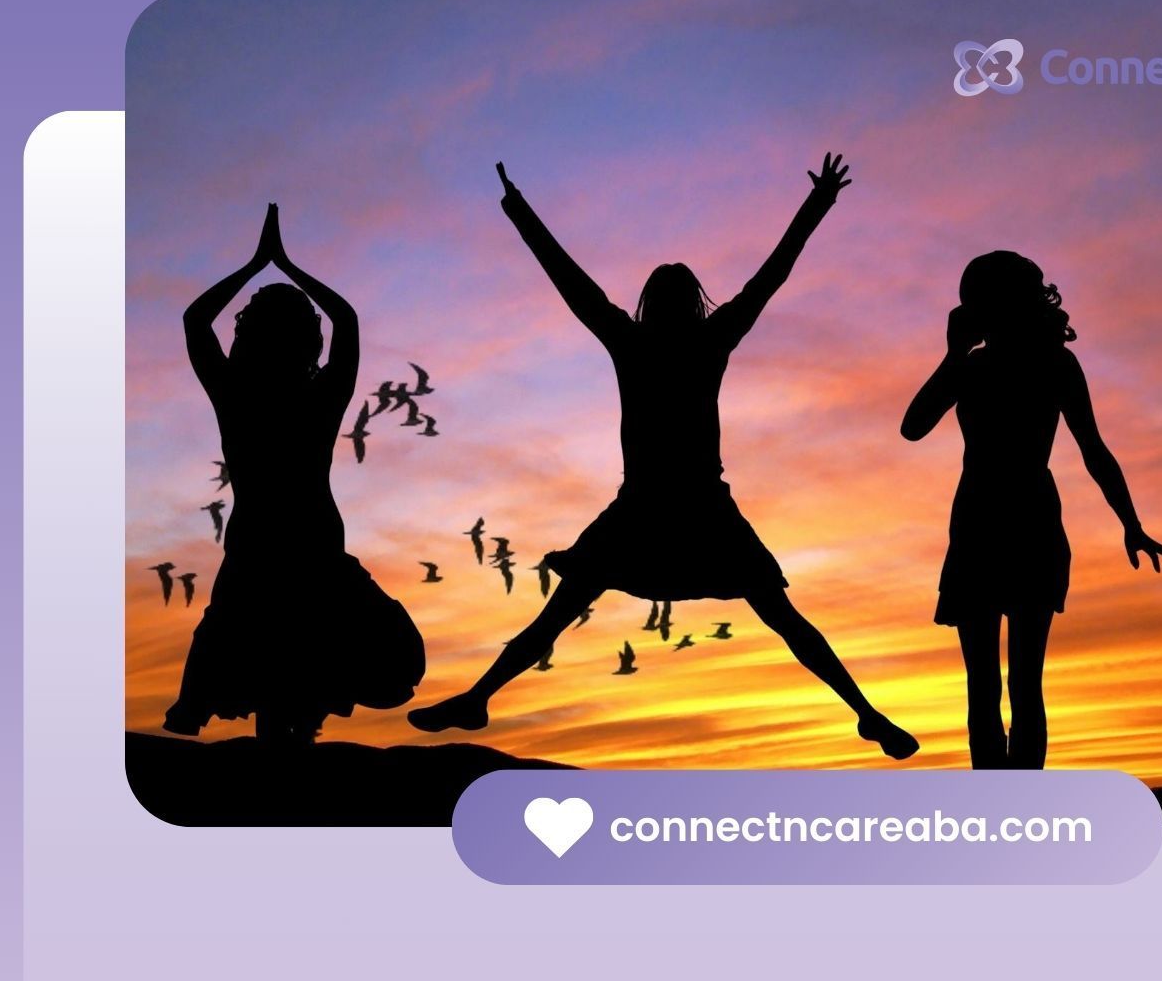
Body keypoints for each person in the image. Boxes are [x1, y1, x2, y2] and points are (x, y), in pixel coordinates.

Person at [409, 155, 918, 760]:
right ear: (692, 302)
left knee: (565, 611)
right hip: (683, 505)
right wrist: (817, 205)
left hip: (661, 506)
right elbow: (769, 276)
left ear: (652, 303)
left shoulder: (636, 340)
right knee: (779, 616)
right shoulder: (706, 338)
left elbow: (571, 280)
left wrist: (517, 208)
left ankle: (479, 696)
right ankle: (865, 712)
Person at [901, 251, 1162, 769]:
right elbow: (912, 426)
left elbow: (1093, 448)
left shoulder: (1047, 364)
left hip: (1014, 521)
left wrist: (1132, 522)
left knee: (1007, 684)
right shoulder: (981, 366)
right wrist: (953, 356)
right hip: (992, 524)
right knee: (999, 684)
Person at [163, 205, 425, 745]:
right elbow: (347, 321)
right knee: (295, 683)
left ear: (248, 335)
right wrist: (285, 265)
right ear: (310, 340)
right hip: (304, 550)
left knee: (276, 680)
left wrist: (258, 265)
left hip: (274, 550)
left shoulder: (236, 395)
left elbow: (195, 321)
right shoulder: (316, 396)